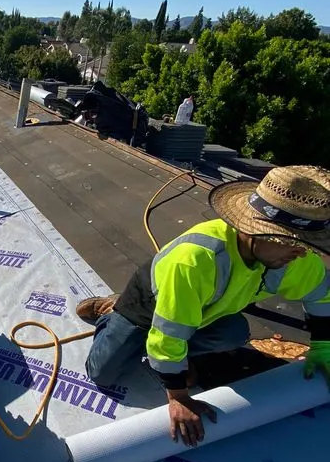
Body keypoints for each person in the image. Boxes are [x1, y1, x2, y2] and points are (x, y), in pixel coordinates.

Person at [76, 165, 330, 447]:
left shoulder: (292, 257)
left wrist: (323, 348)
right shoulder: (195, 260)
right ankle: (112, 311)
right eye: (292, 243)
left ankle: (173, 358)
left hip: (203, 310)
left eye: (306, 246)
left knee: (233, 333)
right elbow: (168, 334)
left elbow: (322, 296)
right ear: (256, 232)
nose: (301, 253)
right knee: (103, 373)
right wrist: (178, 396)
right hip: (149, 304)